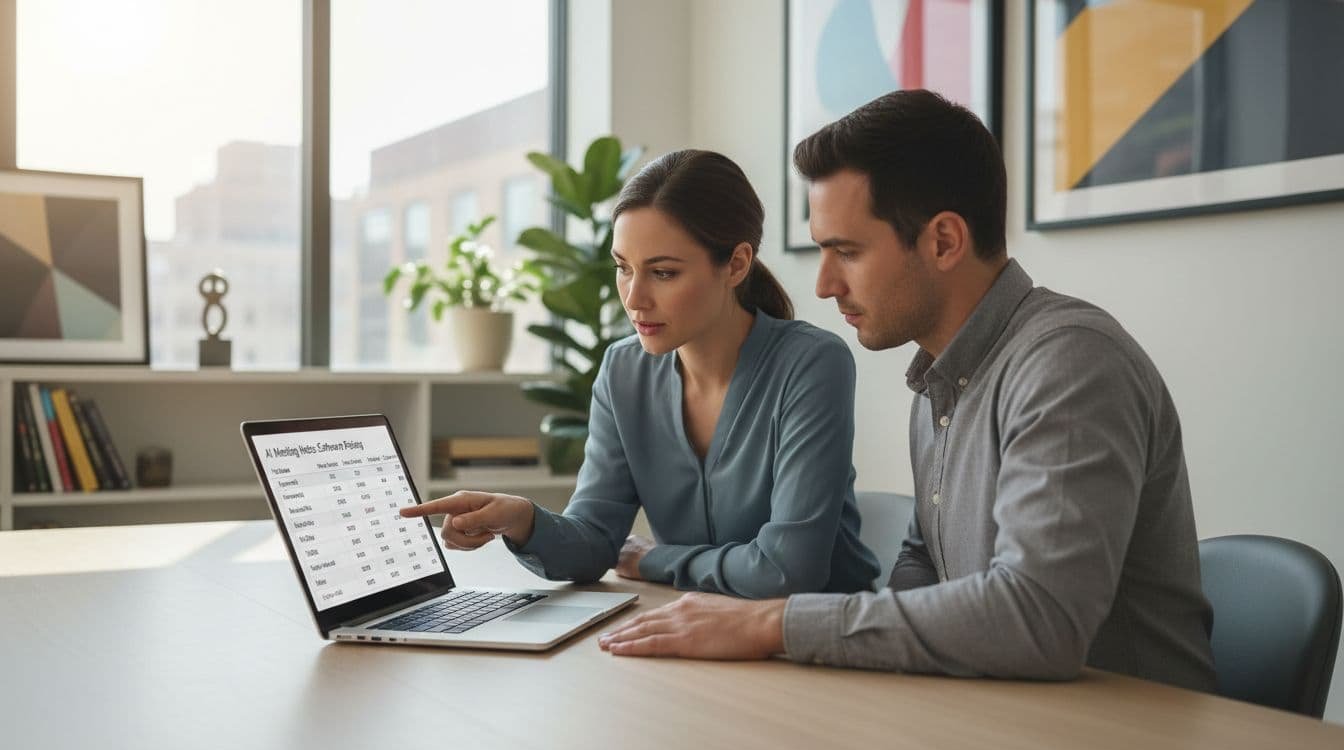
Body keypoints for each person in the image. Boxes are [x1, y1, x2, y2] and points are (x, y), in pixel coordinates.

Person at [595, 90, 1217, 693]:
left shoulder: (1069, 362)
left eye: (846, 252)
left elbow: (1040, 617)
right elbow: (924, 565)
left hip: (1125, 731)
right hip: (1000, 714)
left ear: (944, 241)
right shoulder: (940, 380)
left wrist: (771, 624)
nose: (824, 285)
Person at [401, 149, 880, 599]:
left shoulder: (811, 363)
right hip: (695, 627)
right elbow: (595, 542)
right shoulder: (624, 370)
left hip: (820, 640)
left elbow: (786, 570)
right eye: (623, 268)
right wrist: (523, 520)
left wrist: (656, 559)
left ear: (736, 265)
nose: (634, 299)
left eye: (663, 273)